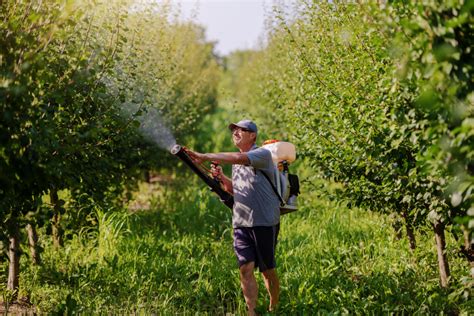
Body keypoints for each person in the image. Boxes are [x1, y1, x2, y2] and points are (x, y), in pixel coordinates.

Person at [187, 119, 280, 315]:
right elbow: (235, 190)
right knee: (245, 268)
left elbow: (239, 159)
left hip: (263, 222)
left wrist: (204, 155)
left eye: (241, 130)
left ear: (253, 135)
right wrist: (222, 178)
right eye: (234, 130)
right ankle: (251, 311)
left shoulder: (262, 154)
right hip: (241, 222)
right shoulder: (237, 161)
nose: (236, 132)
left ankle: (275, 307)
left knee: (267, 270)